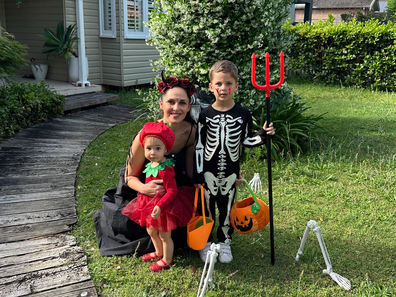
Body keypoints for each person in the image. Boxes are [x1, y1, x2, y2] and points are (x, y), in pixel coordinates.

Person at [93, 73, 197, 257]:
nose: (176, 108)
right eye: (171, 102)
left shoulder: (190, 132)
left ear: (188, 106)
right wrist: (144, 188)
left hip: (171, 184)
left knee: (181, 223)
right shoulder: (147, 134)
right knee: (133, 226)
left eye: (182, 103)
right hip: (142, 186)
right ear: (161, 104)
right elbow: (130, 176)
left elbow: (190, 175)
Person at [193, 60, 275, 263]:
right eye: (219, 84)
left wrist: (264, 135)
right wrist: (198, 174)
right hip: (208, 175)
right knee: (208, 209)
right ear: (211, 87)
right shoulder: (204, 116)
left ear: (236, 87)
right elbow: (199, 145)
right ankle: (206, 242)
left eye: (229, 84)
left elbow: (246, 140)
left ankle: (225, 241)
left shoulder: (243, 113)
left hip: (230, 174)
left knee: (227, 210)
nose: (224, 88)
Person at [122, 122, 194, 271]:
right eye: (148, 148)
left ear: (166, 149)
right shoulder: (151, 164)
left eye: (157, 148)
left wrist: (160, 206)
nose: (152, 152)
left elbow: (172, 191)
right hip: (149, 202)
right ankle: (158, 251)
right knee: (151, 230)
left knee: (164, 235)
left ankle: (167, 260)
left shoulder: (166, 169)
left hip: (165, 206)